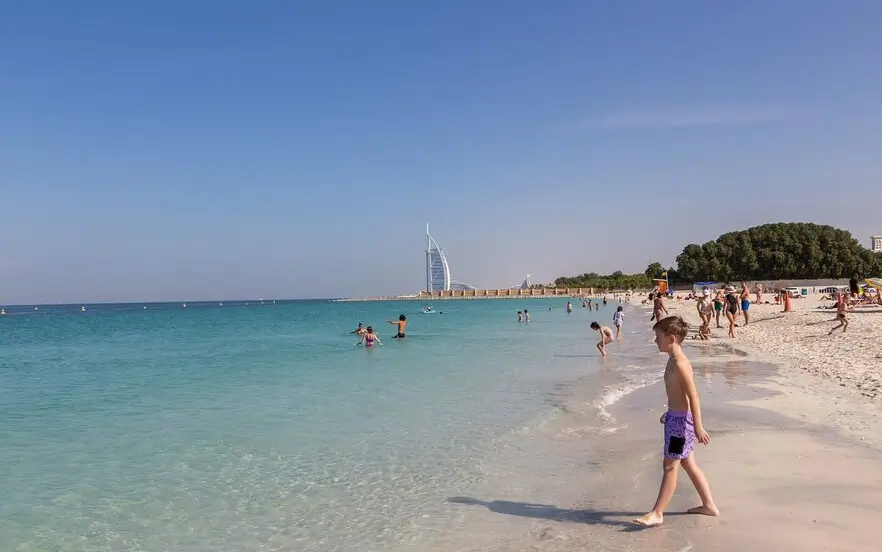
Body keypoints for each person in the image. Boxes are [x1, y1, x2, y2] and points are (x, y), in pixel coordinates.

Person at [633, 316, 718, 526]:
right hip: (676, 419)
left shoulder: (680, 364)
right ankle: (709, 505)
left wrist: (697, 426)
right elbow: (677, 395)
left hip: (680, 426)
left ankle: (657, 513)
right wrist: (670, 412)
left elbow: (693, 396)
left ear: (671, 339)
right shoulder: (672, 360)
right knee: (689, 464)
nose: (655, 341)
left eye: (658, 337)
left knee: (670, 466)